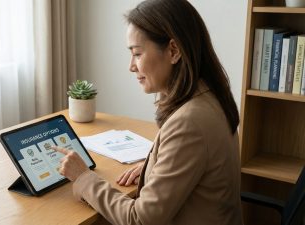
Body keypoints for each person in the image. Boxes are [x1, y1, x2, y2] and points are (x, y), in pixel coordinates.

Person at [52, 0, 243, 224]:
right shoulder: (209, 96)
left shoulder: (190, 123)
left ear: (173, 51)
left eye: (137, 54)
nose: (131, 66)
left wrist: (84, 178)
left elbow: (140, 220)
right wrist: (157, 167)